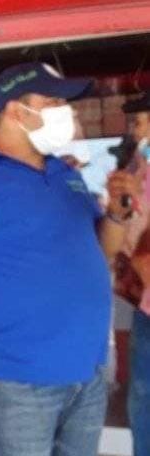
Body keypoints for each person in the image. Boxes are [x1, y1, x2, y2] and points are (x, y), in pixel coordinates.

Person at [0, 62, 139, 456]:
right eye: (54, 102)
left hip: (87, 373)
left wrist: (116, 213)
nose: (67, 112)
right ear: (16, 111)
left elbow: (102, 250)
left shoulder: (65, 175)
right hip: (18, 384)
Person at [122, 92, 150, 456]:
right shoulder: (140, 170)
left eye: (141, 122)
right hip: (146, 308)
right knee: (143, 404)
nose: (136, 131)